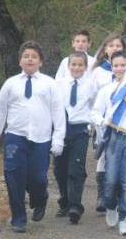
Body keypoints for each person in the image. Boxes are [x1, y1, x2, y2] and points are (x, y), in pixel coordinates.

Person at [0, 41, 65, 233]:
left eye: (34, 56)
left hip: (41, 138)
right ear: (19, 61)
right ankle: (18, 218)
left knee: (38, 178)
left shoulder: (49, 83)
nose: (29, 59)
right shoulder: (10, 84)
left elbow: (58, 113)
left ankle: (40, 198)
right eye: (26, 56)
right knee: (14, 177)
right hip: (15, 137)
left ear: (41, 62)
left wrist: (58, 139)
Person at [91, 50, 126, 236]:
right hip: (114, 135)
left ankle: (125, 218)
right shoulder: (107, 90)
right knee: (111, 179)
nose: (119, 68)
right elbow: (95, 113)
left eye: (123, 65)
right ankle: (111, 205)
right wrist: (103, 122)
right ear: (111, 66)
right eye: (116, 65)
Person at [54, 52, 96, 224]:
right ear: (68, 66)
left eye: (80, 65)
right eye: (73, 65)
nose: (76, 68)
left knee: (76, 168)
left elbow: (94, 106)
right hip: (61, 128)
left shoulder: (90, 85)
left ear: (85, 67)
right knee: (60, 169)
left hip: (80, 129)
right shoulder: (58, 84)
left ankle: (75, 206)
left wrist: (92, 125)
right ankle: (64, 200)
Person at [91, 33, 126, 212]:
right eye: (111, 45)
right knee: (104, 155)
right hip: (103, 122)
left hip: (124, 122)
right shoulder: (98, 71)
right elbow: (92, 97)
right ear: (104, 49)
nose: (114, 48)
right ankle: (102, 195)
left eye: (118, 46)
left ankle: (119, 194)